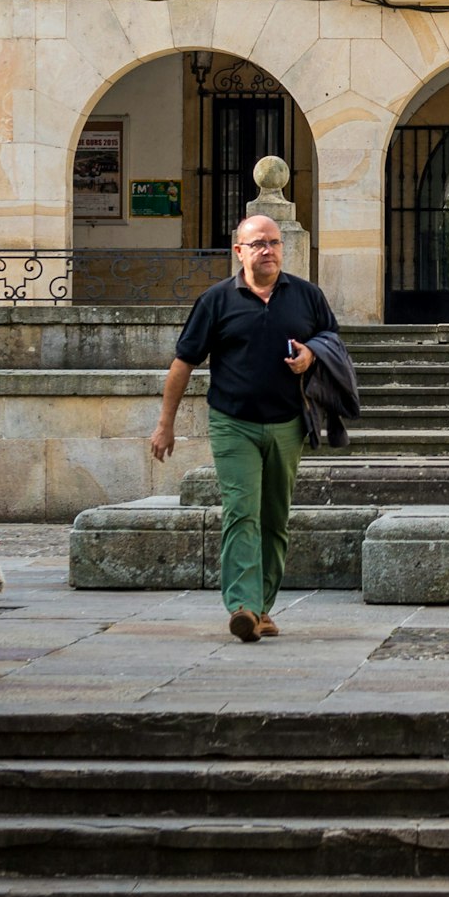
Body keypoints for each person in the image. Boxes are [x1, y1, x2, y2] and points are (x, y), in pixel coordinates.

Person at [149, 213, 335, 642]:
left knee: (274, 518)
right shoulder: (216, 300)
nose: (268, 249)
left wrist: (310, 356)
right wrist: (165, 425)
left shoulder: (306, 296)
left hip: (288, 422)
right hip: (234, 424)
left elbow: (332, 341)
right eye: (258, 244)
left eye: (274, 242)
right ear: (239, 251)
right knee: (241, 512)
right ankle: (242, 605)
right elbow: (183, 363)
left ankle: (262, 609)